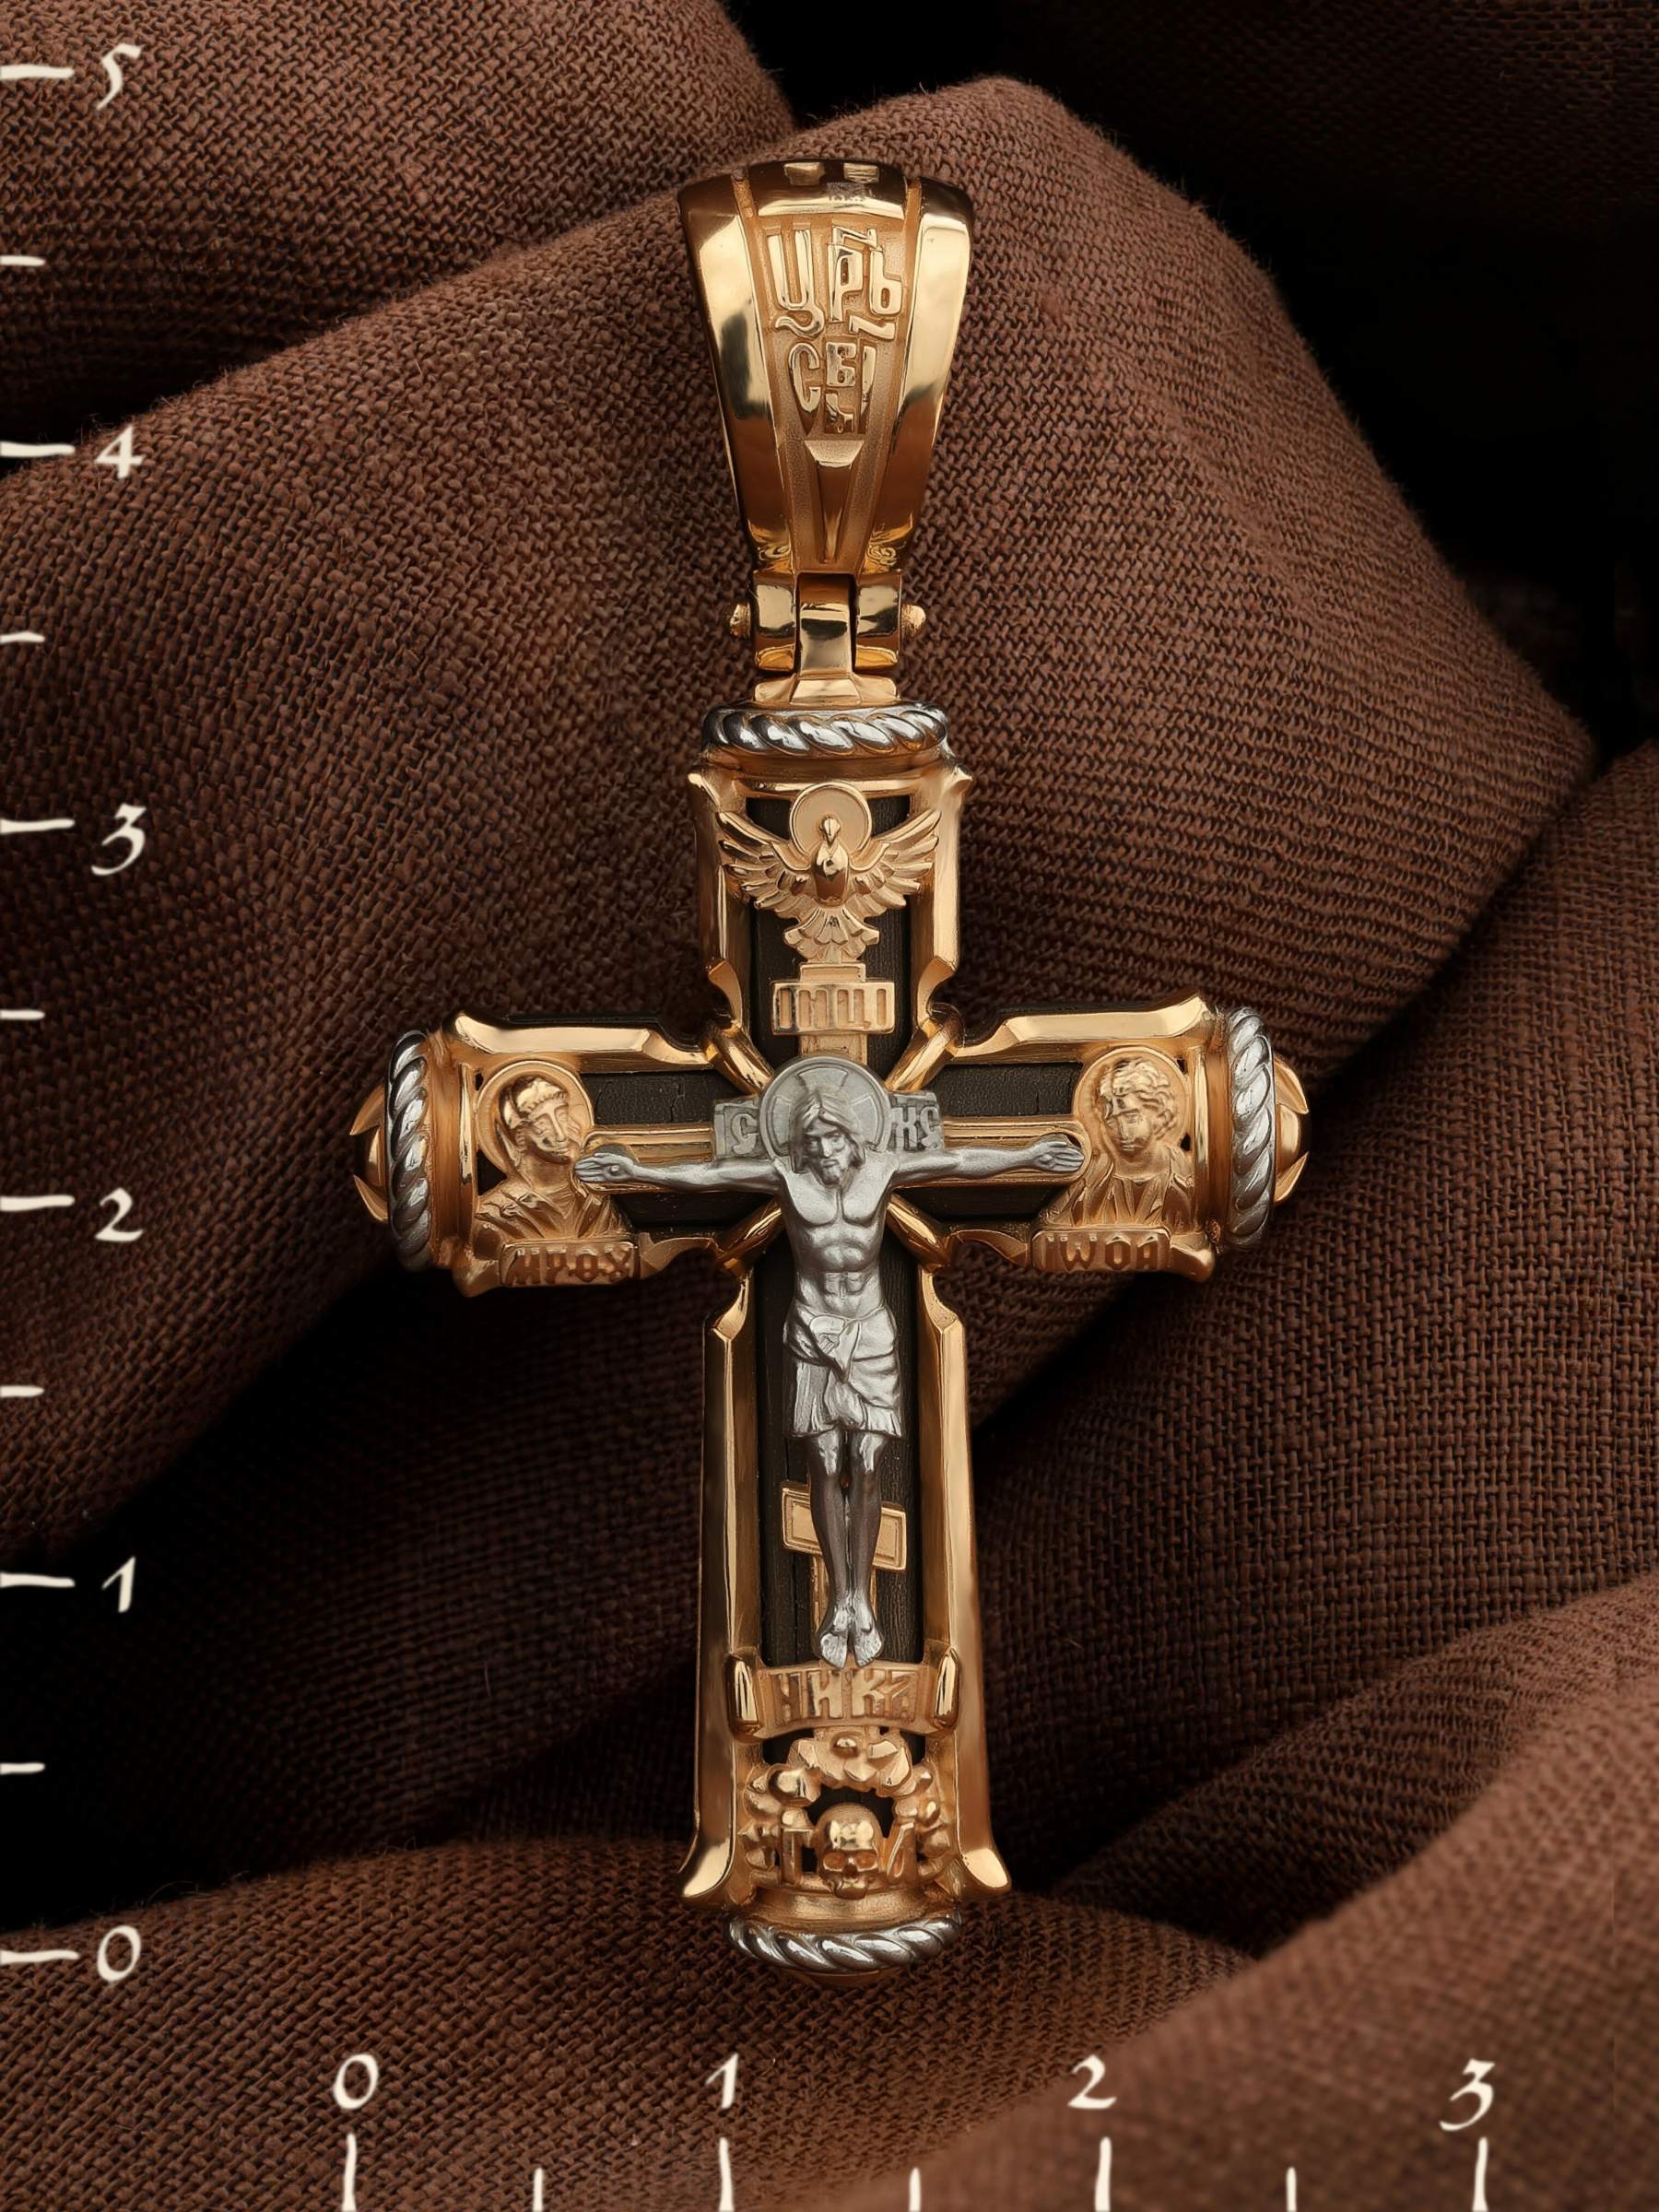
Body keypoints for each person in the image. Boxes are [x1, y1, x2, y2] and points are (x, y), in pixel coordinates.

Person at [578, 1065, 1081, 1667]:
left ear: (851, 1135)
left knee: (866, 1463)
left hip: (871, 1334)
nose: (824, 1153)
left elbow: (958, 1161)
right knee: (823, 1462)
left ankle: (859, 1598)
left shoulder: (883, 1170)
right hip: (813, 1334)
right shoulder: (786, 1178)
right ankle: (840, 1600)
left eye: (832, 1139)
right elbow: (709, 1175)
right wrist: (636, 1172)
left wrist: (1029, 1155)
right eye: (812, 1143)